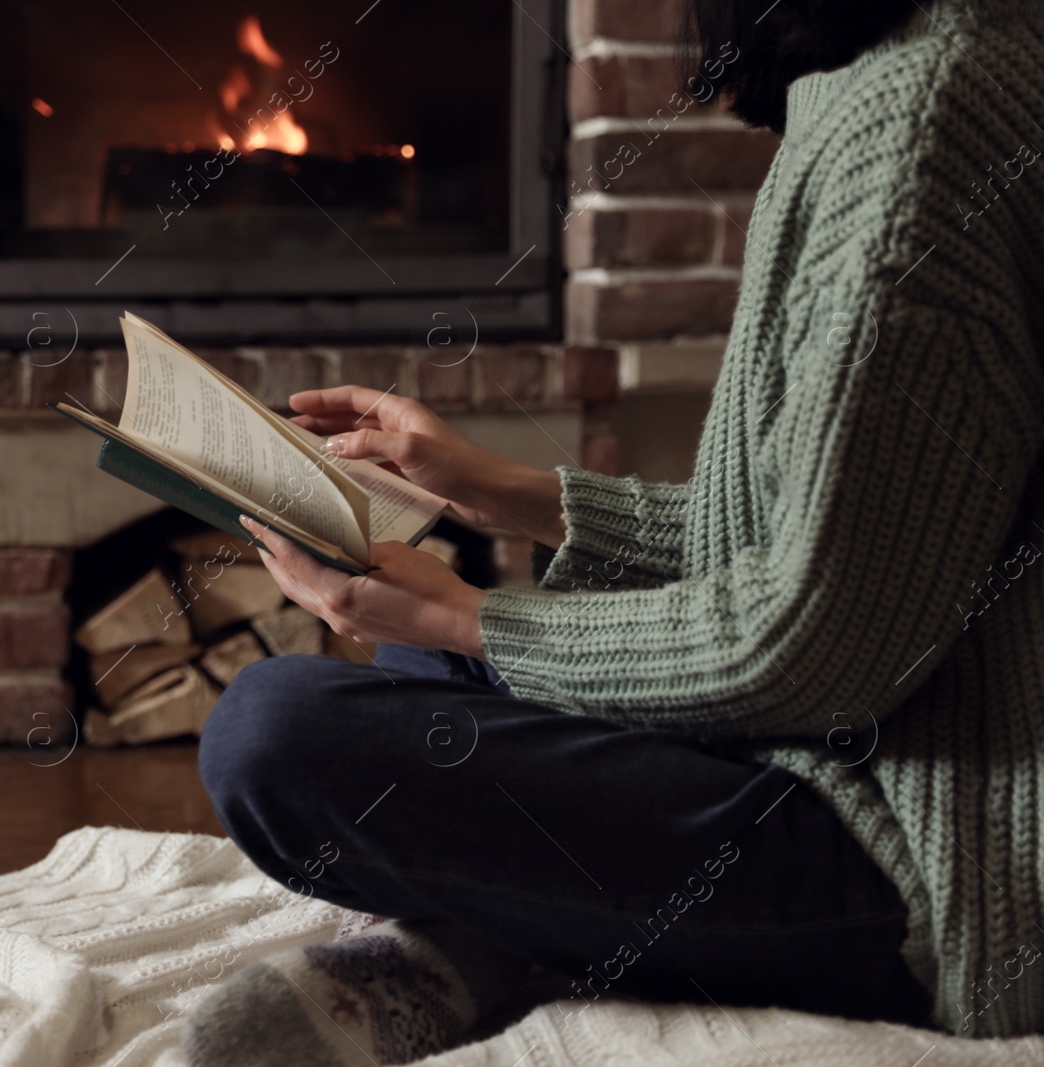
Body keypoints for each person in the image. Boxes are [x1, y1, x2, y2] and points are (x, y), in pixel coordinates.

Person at [183, 0, 1044, 1061]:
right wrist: (497, 487)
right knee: (409, 660)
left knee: (275, 733)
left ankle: (476, 944)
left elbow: (814, 646)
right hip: (828, 738)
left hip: (908, 838)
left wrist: (478, 622)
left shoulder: (921, 128)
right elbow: (816, 537)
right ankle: (502, 931)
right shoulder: (894, 75)